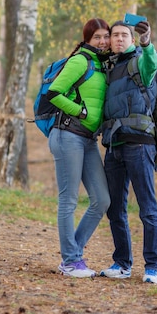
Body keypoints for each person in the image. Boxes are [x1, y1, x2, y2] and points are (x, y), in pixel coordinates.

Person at [98, 20, 157, 285]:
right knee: (115, 208)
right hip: (114, 146)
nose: (119, 39)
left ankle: (153, 268)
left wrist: (147, 41)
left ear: (132, 39)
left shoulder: (141, 62)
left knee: (147, 208)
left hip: (139, 144)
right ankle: (123, 263)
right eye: (115, 35)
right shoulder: (108, 67)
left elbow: (152, 63)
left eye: (125, 35)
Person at [46, 18, 111, 278]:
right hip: (67, 135)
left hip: (87, 139)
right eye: (97, 37)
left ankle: (74, 253)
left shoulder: (102, 65)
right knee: (69, 199)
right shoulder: (79, 61)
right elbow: (54, 92)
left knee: (102, 199)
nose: (103, 41)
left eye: (106, 36)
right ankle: (71, 261)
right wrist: (80, 111)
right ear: (87, 39)